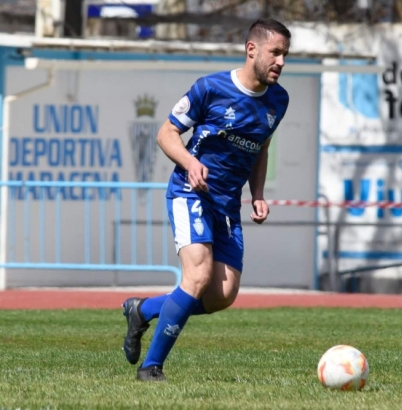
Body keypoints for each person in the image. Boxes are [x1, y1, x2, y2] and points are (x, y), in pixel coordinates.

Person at [121, 18, 291, 382]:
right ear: (252, 50)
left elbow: (261, 147)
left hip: (227, 205)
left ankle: (143, 309)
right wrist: (190, 161)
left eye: (285, 55)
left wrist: (256, 194)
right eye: (275, 53)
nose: (280, 62)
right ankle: (151, 367)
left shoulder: (279, 100)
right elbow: (166, 134)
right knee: (196, 276)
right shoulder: (210, 88)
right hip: (190, 192)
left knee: (221, 296)